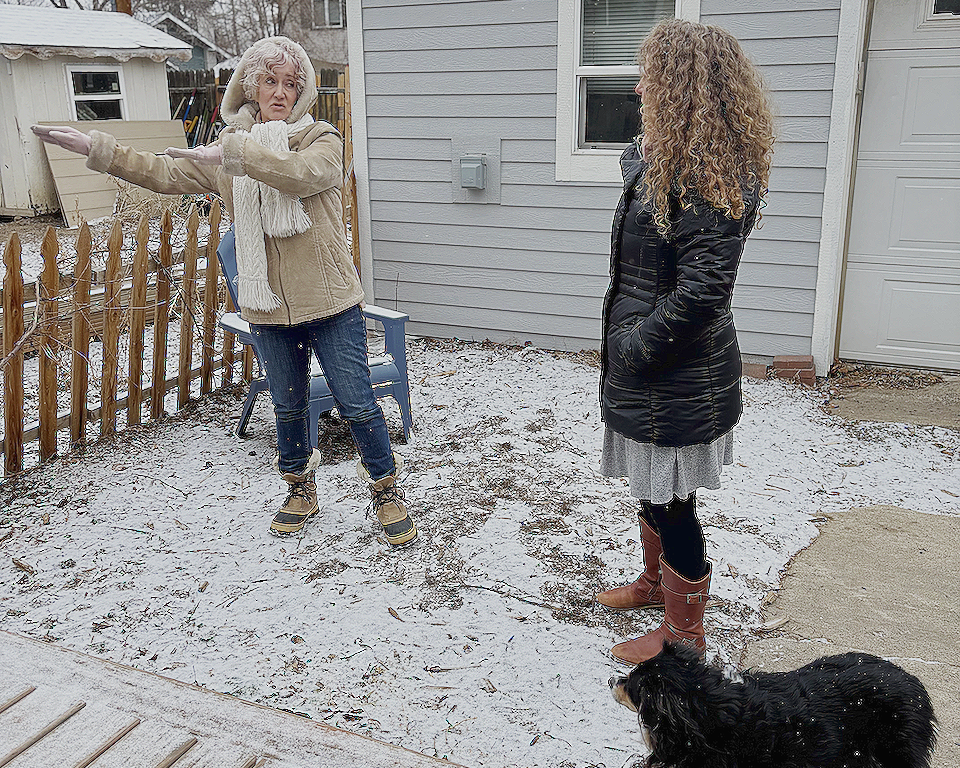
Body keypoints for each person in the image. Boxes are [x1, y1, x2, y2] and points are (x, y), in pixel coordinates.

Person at [33, 37, 417, 545]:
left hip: (330, 302)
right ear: (251, 85)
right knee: (288, 405)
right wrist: (98, 150)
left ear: (301, 92)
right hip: (267, 305)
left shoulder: (318, 138)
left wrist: (232, 152)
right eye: (270, 80)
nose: (280, 92)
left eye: (290, 83)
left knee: (357, 402)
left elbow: (303, 177)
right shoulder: (228, 147)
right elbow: (166, 172)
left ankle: (385, 491)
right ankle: (301, 488)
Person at [593, 19, 775, 664]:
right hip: (651, 370)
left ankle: (684, 636)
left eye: (649, 76)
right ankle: (653, 584)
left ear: (680, 89)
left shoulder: (708, 180)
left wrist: (635, 349)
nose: (638, 86)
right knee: (652, 489)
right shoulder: (666, 163)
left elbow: (701, 295)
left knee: (673, 505)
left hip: (673, 375)